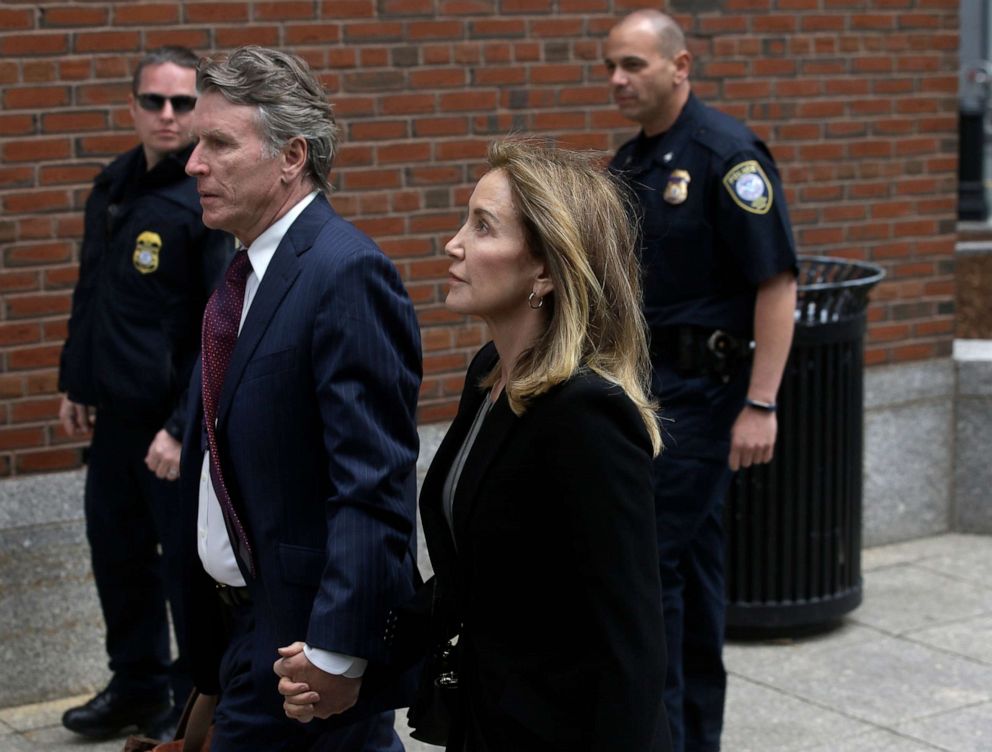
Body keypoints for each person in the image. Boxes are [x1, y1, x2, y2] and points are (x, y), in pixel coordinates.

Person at [177, 46, 422, 751]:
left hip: (301, 649)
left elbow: (374, 484)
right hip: (238, 632)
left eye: (219, 143)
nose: (195, 164)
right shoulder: (245, 269)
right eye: (198, 143)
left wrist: (336, 654)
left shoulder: (346, 274)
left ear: (291, 156)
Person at [404, 140, 672, 751]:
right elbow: (468, 578)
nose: (454, 243)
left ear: (546, 270)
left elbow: (629, 643)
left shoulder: (586, 413)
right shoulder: (489, 376)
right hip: (487, 720)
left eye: (483, 227)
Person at [605, 11, 799, 752]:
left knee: (651, 575)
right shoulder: (629, 163)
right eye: (610, 67)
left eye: (634, 64)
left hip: (702, 397)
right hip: (646, 394)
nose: (619, 80)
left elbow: (776, 281)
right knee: (688, 573)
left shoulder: (727, 155)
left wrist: (761, 404)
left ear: (680, 66)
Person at [58, 46, 232, 740]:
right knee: (118, 557)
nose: (167, 116)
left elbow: (218, 324)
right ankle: (133, 684)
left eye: (183, 103)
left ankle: (187, 702)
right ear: (132, 106)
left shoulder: (204, 202)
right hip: (116, 422)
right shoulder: (116, 185)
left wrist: (182, 425)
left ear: (200, 110)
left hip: (171, 431)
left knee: (183, 572)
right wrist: (77, 379)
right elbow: (92, 292)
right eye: (154, 102)